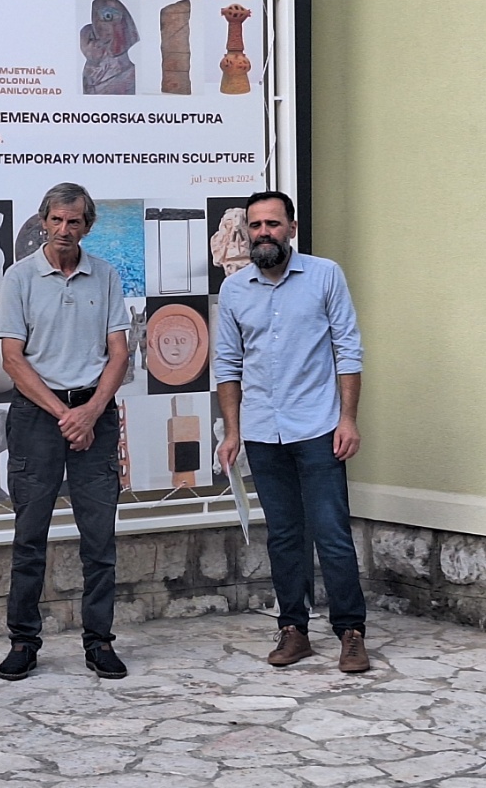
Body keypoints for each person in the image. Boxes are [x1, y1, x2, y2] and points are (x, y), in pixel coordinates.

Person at [212, 190, 370, 674]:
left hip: (319, 427)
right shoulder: (235, 290)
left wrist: (348, 419)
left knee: (331, 534)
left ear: (292, 228)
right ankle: (293, 629)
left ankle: (350, 632)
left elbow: (348, 350)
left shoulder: (325, 275)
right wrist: (232, 432)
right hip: (263, 431)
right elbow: (228, 364)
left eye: (273, 223)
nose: (264, 232)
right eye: (256, 225)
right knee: (283, 536)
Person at [0, 182, 131, 681]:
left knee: (100, 539)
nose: (64, 230)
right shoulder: (19, 277)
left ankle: (99, 642)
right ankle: (23, 642)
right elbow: (12, 359)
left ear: (87, 226)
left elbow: (119, 353)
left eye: (74, 221)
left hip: (94, 413)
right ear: (43, 222)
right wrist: (64, 415)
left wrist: (90, 412)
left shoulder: (106, 275)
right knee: (30, 536)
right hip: (38, 416)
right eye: (56, 220)